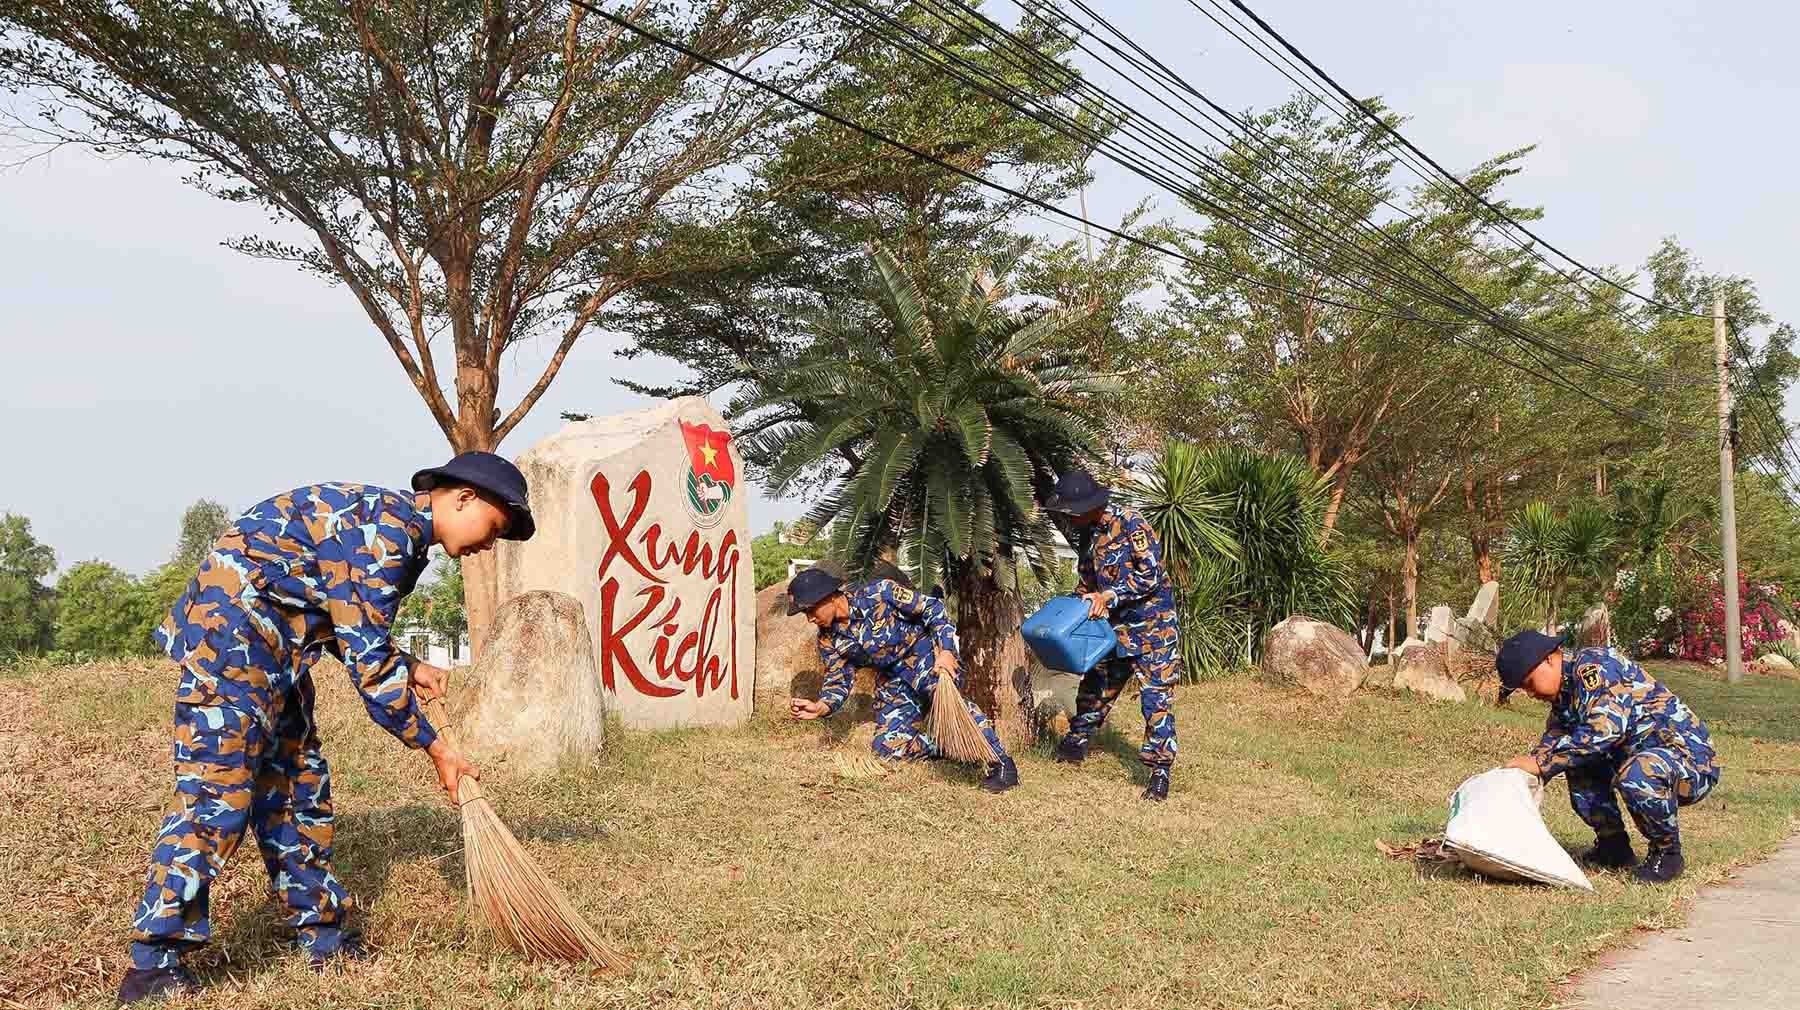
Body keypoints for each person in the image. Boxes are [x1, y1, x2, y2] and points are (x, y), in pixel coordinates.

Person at [117, 452, 536, 1003]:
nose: (490, 544)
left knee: (298, 786)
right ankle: (153, 963)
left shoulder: (397, 533)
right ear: (462, 497)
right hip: (232, 643)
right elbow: (370, 672)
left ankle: (321, 936)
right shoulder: (386, 534)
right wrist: (437, 750)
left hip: (278, 650)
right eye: (494, 527)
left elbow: (349, 625)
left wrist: (410, 665)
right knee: (217, 798)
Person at [1495, 629, 1721, 883]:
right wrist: (1525, 772)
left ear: (1548, 659)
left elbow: (1604, 731)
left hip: (1690, 763)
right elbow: (1556, 741)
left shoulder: (1595, 668)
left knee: (1637, 772)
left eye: (1528, 683)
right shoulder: (1565, 694)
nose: (1530, 693)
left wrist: (1542, 762)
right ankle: (1613, 847)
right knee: (1578, 763)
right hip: (1640, 760)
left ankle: (1667, 854)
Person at [786, 567, 1019, 792]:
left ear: (827, 597)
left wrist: (946, 650)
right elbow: (838, 679)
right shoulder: (828, 640)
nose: (810, 619)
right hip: (892, 681)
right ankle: (951, 744)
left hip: (926, 659)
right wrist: (821, 707)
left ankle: (1001, 763)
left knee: (949, 700)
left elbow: (933, 608)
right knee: (887, 749)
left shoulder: (881, 593)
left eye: (810, 611)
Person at [1043, 468, 1180, 801]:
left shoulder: (1132, 523)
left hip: (1153, 630)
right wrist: (1075, 606)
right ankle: (1076, 743)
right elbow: (1087, 581)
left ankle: (1159, 772)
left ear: (1090, 506)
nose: (1070, 519)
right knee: (1095, 687)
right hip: (1111, 631)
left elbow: (1152, 576)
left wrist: (1109, 596)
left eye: (1072, 512)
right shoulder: (1088, 535)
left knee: (1155, 700)